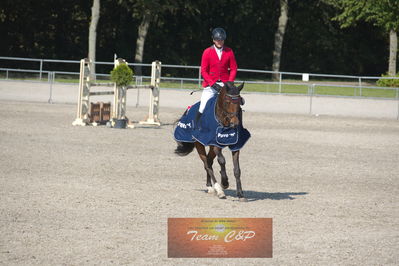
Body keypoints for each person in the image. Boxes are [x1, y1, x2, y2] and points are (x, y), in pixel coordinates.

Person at [196, 27, 238, 123]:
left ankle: (237, 126)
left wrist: (230, 82)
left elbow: (233, 68)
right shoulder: (207, 52)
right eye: (217, 40)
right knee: (202, 107)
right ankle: (196, 127)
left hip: (225, 84)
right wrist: (212, 83)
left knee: (235, 104)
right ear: (213, 40)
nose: (219, 41)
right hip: (210, 85)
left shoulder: (229, 51)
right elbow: (203, 71)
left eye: (221, 40)